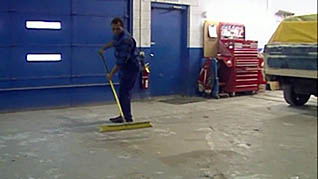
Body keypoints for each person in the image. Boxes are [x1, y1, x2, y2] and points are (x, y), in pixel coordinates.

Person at [98, 17, 139, 123]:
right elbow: (114, 42)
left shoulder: (126, 39)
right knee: (122, 93)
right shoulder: (118, 36)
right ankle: (123, 115)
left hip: (131, 68)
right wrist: (104, 48)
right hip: (125, 68)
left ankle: (128, 118)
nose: (115, 31)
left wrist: (111, 74)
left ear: (122, 27)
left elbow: (122, 61)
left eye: (117, 29)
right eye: (113, 29)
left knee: (124, 93)